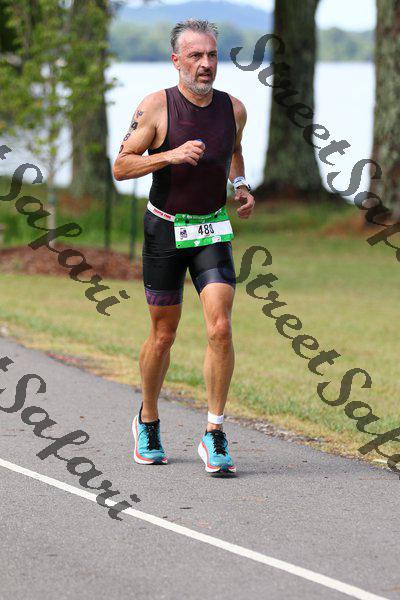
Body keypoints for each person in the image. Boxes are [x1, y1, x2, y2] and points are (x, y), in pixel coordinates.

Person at [113, 18, 254, 474]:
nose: (205, 64)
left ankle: (214, 432)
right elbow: (121, 166)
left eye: (211, 55)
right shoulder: (156, 107)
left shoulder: (234, 109)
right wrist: (170, 155)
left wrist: (240, 184)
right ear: (176, 61)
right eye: (195, 56)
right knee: (164, 334)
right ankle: (148, 419)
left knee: (220, 327)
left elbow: (234, 152)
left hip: (210, 229)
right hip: (165, 230)